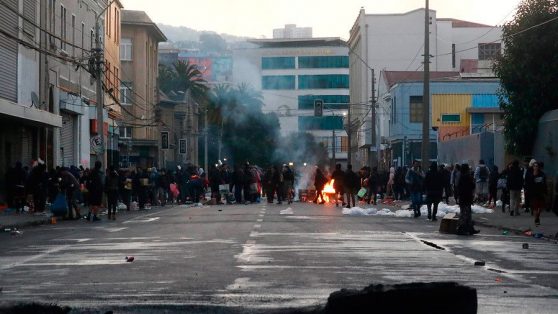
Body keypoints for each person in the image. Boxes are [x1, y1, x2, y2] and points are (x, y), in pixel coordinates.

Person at [457, 164, 479, 235]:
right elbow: (472, 186)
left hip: (463, 198)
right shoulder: (467, 177)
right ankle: (461, 229)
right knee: (465, 214)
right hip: (466, 198)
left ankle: (469, 229)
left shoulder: (461, 177)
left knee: (467, 214)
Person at [526, 161, 547, 226]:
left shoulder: (542, 174)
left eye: (536, 166)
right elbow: (528, 182)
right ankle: (536, 219)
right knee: (535, 207)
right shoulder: (530, 174)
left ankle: (538, 215)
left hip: (540, 193)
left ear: (538, 167)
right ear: (533, 167)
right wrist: (533, 176)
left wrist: (545, 191)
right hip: (533, 193)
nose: (535, 167)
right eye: (534, 166)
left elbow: (544, 183)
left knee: (541, 207)